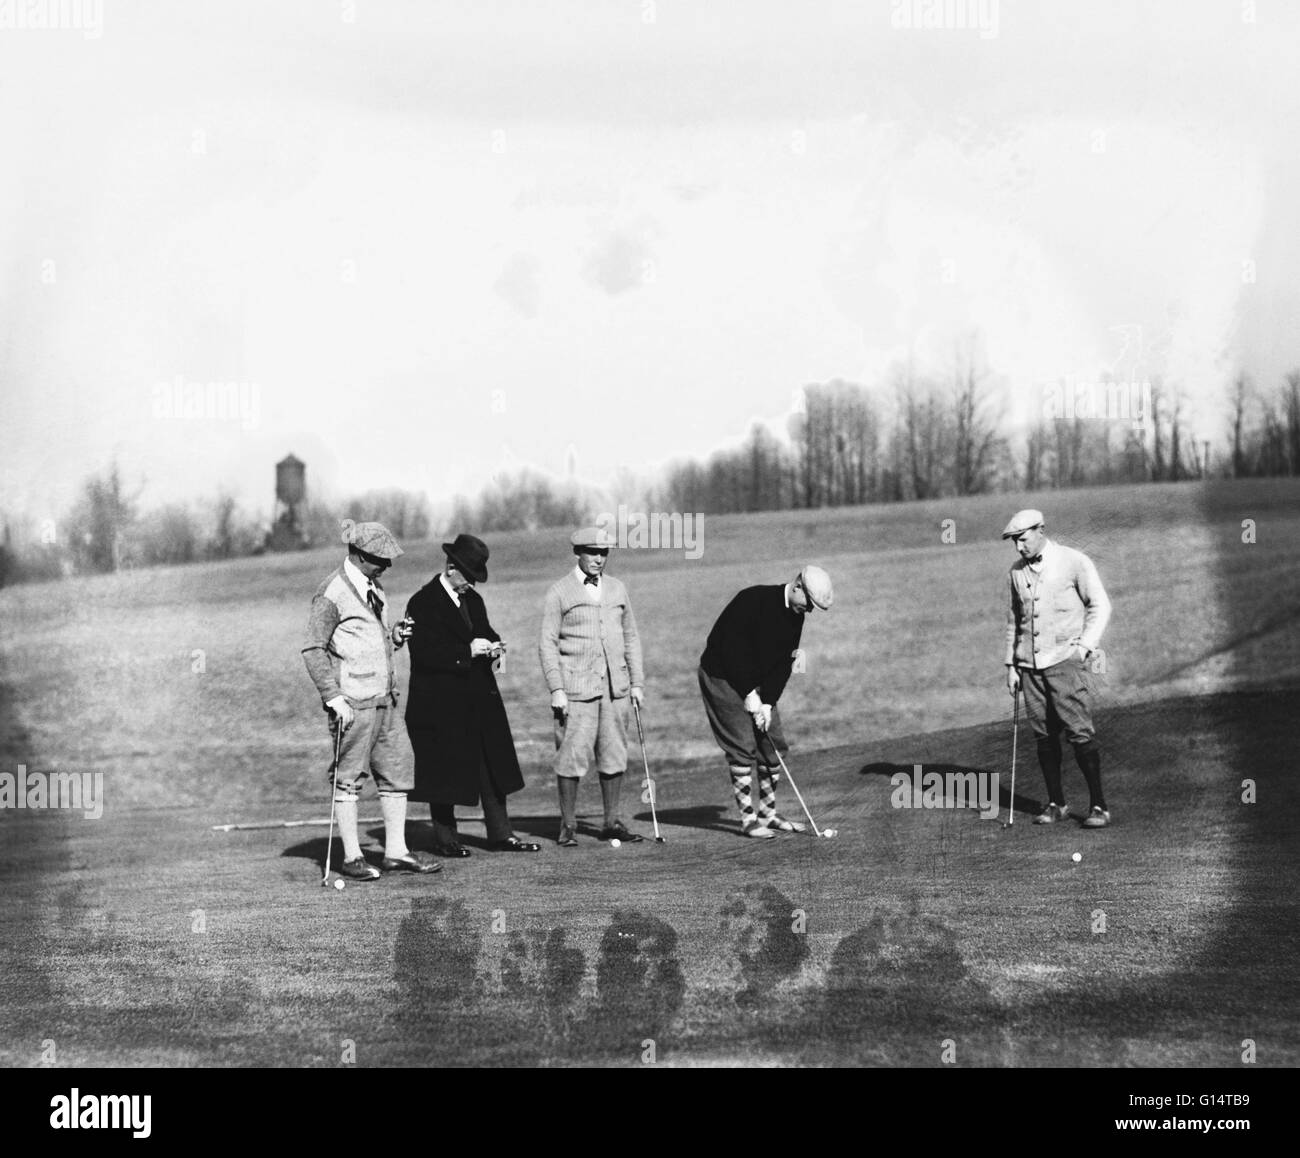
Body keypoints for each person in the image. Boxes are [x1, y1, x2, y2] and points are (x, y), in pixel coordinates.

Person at [302, 520, 441, 879]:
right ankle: (351, 858)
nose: (388, 566)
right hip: (353, 704)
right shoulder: (331, 592)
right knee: (348, 778)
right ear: (360, 555)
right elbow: (313, 649)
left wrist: (393, 637)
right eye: (382, 559)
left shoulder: (375, 586)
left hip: (386, 700)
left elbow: (368, 640)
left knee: (396, 773)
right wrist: (333, 698)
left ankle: (396, 853)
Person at [404, 534, 540, 856]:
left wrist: (497, 649)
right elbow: (423, 653)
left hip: (480, 701)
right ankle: (446, 839)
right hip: (440, 705)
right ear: (451, 568)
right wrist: (465, 651)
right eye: (469, 576)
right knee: (444, 772)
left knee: (492, 768)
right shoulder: (422, 602)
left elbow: (488, 635)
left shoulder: (473, 601)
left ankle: (501, 834)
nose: (473, 584)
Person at [698, 566, 833, 838]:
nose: (809, 611)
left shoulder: (796, 615)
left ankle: (768, 814)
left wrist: (768, 703)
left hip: (757, 684)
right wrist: (749, 693)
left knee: (774, 745)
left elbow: (784, 663)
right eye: (809, 603)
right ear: (797, 586)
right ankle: (748, 820)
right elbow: (729, 650)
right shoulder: (752, 601)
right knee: (742, 747)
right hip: (722, 676)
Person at [1002, 509, 1114, 828]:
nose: (1018, 548)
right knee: (1043, 736)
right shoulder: (1015, 572)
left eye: (1022, 540)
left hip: (1065, 661)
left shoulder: (1073, 561)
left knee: (1078, 732)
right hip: (1029, 667)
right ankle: (1056, 803)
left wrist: (1084, 647)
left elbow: (1099, 605)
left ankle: (1098, 806)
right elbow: (1015, 620)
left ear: (1040, 531)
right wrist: (1011, 665)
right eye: (1013, 542)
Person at [539, 526, 646, 847]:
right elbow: (546, 643)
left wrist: (637, 682)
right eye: (592, 553)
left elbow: (631, 637)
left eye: (604, 554)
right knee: (571, 755)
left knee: (614, 754)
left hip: (617, 688)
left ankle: (611, 822)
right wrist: (556, 688)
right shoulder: (559, 591)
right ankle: (568, 824)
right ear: (578, 554)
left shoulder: (617, 588)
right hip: (575, 690)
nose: (599, 559)